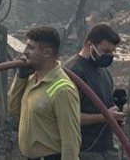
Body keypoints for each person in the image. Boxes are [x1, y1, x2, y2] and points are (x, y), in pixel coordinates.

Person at [8, 26, 81, 160]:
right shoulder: (32, 79)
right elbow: (13, 109)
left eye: (31, 47)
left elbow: (70, 140)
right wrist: (20, 78)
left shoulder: (63, 90)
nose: (25, 52)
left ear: (47, 53)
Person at [65, 23, 125, 159]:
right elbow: (70, 117)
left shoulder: (104, 71)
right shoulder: (73, 71)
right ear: (89, 45)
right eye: (105, 51)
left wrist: (117, 116)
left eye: (112, 52)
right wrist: (105, 116)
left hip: (108, 147)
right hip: (85, 150)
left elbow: (108, 107)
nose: (109, 56)